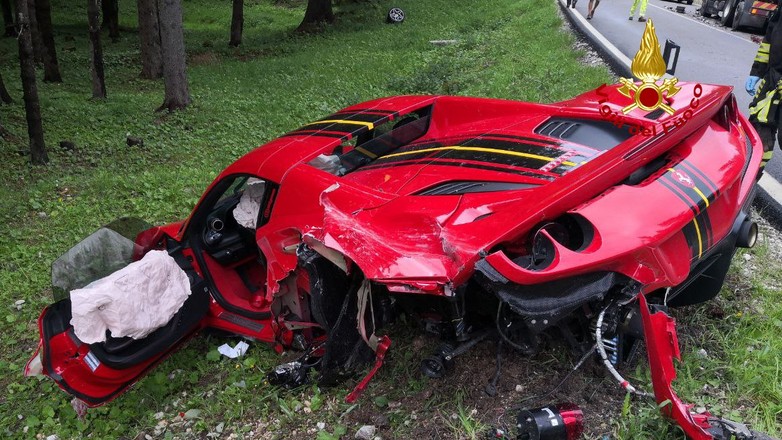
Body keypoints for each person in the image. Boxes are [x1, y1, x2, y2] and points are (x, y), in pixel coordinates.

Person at [746, 9, 781, 172]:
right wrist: (757, 71)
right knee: (758, 127)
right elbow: (769, 40)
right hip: (772, 78)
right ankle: (750, 175)